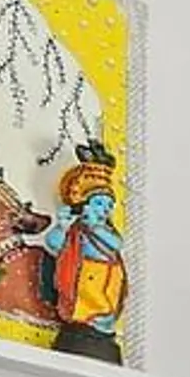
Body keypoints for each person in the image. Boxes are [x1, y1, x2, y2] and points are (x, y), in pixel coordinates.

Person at [42, 140, 130, 361]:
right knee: (86, 310)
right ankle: (87, 326)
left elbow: (116, 245)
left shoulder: (104, 231)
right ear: (86, 205)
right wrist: (62, 227)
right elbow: (54, 244)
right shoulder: (76, 231)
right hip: (85, 278)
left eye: (109, 206)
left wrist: (94, 227)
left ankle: (102, 328)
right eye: (101, 203)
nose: (106, 210)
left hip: (108, 280)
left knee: (105, 313)